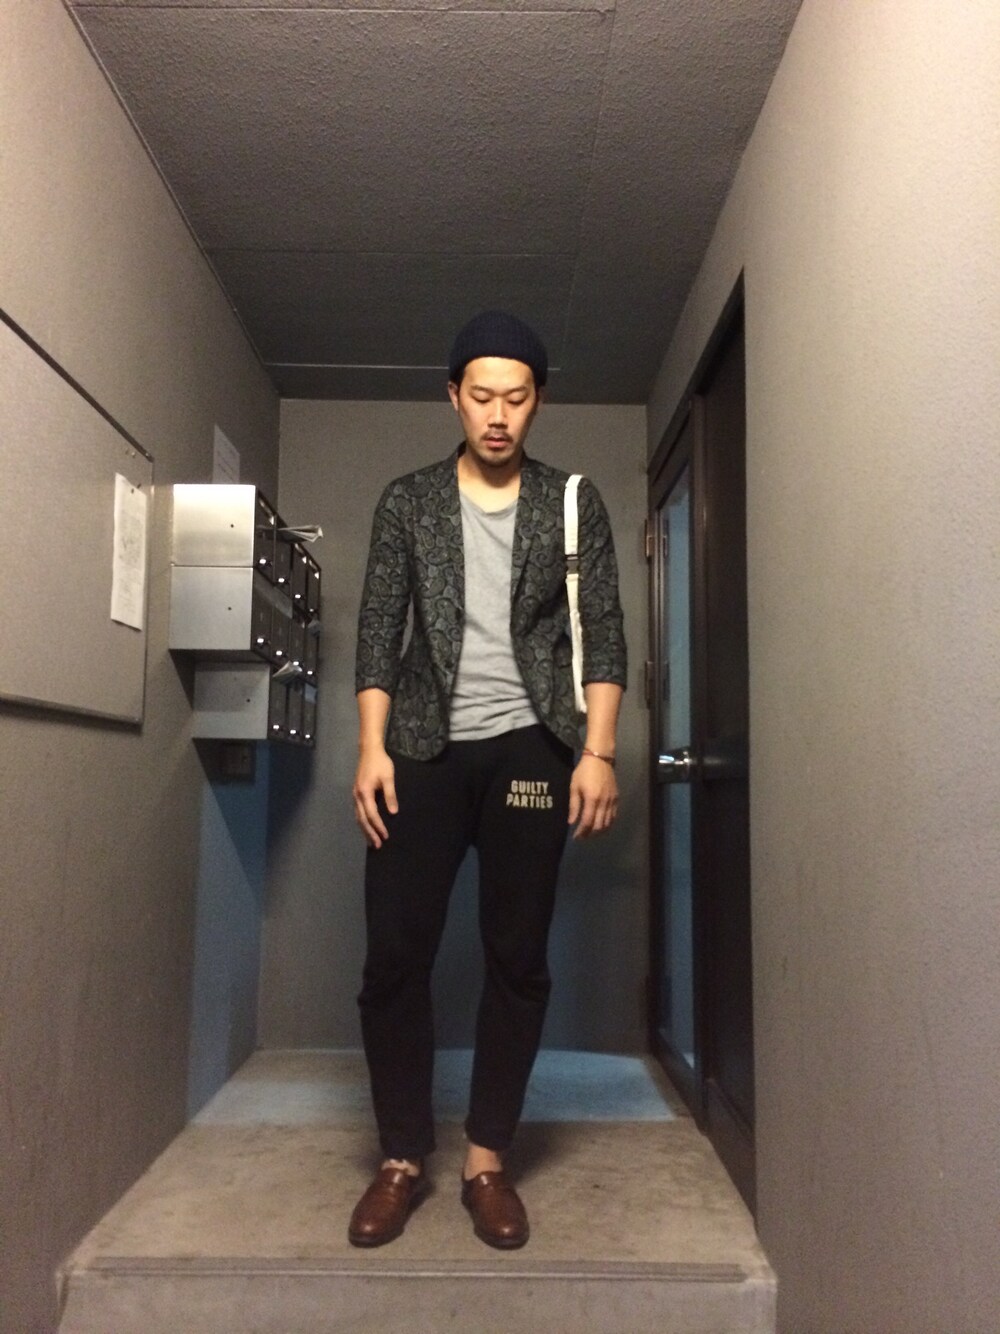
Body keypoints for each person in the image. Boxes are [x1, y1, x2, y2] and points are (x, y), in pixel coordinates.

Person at [348, 310, 626, 1250]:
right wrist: (371, 748)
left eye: (515, 397)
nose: (498, 415)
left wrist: (597, 751)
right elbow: (378, 627)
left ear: (537, 400)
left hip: (530, 749)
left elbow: (605, 633)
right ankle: (400, 1157)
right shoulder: (409, 500)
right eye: (481, 396)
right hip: (421, 751)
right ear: (453, 397)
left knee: (517, 957)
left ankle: (486, 1162)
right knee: (395, 957)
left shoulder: (572, 502)